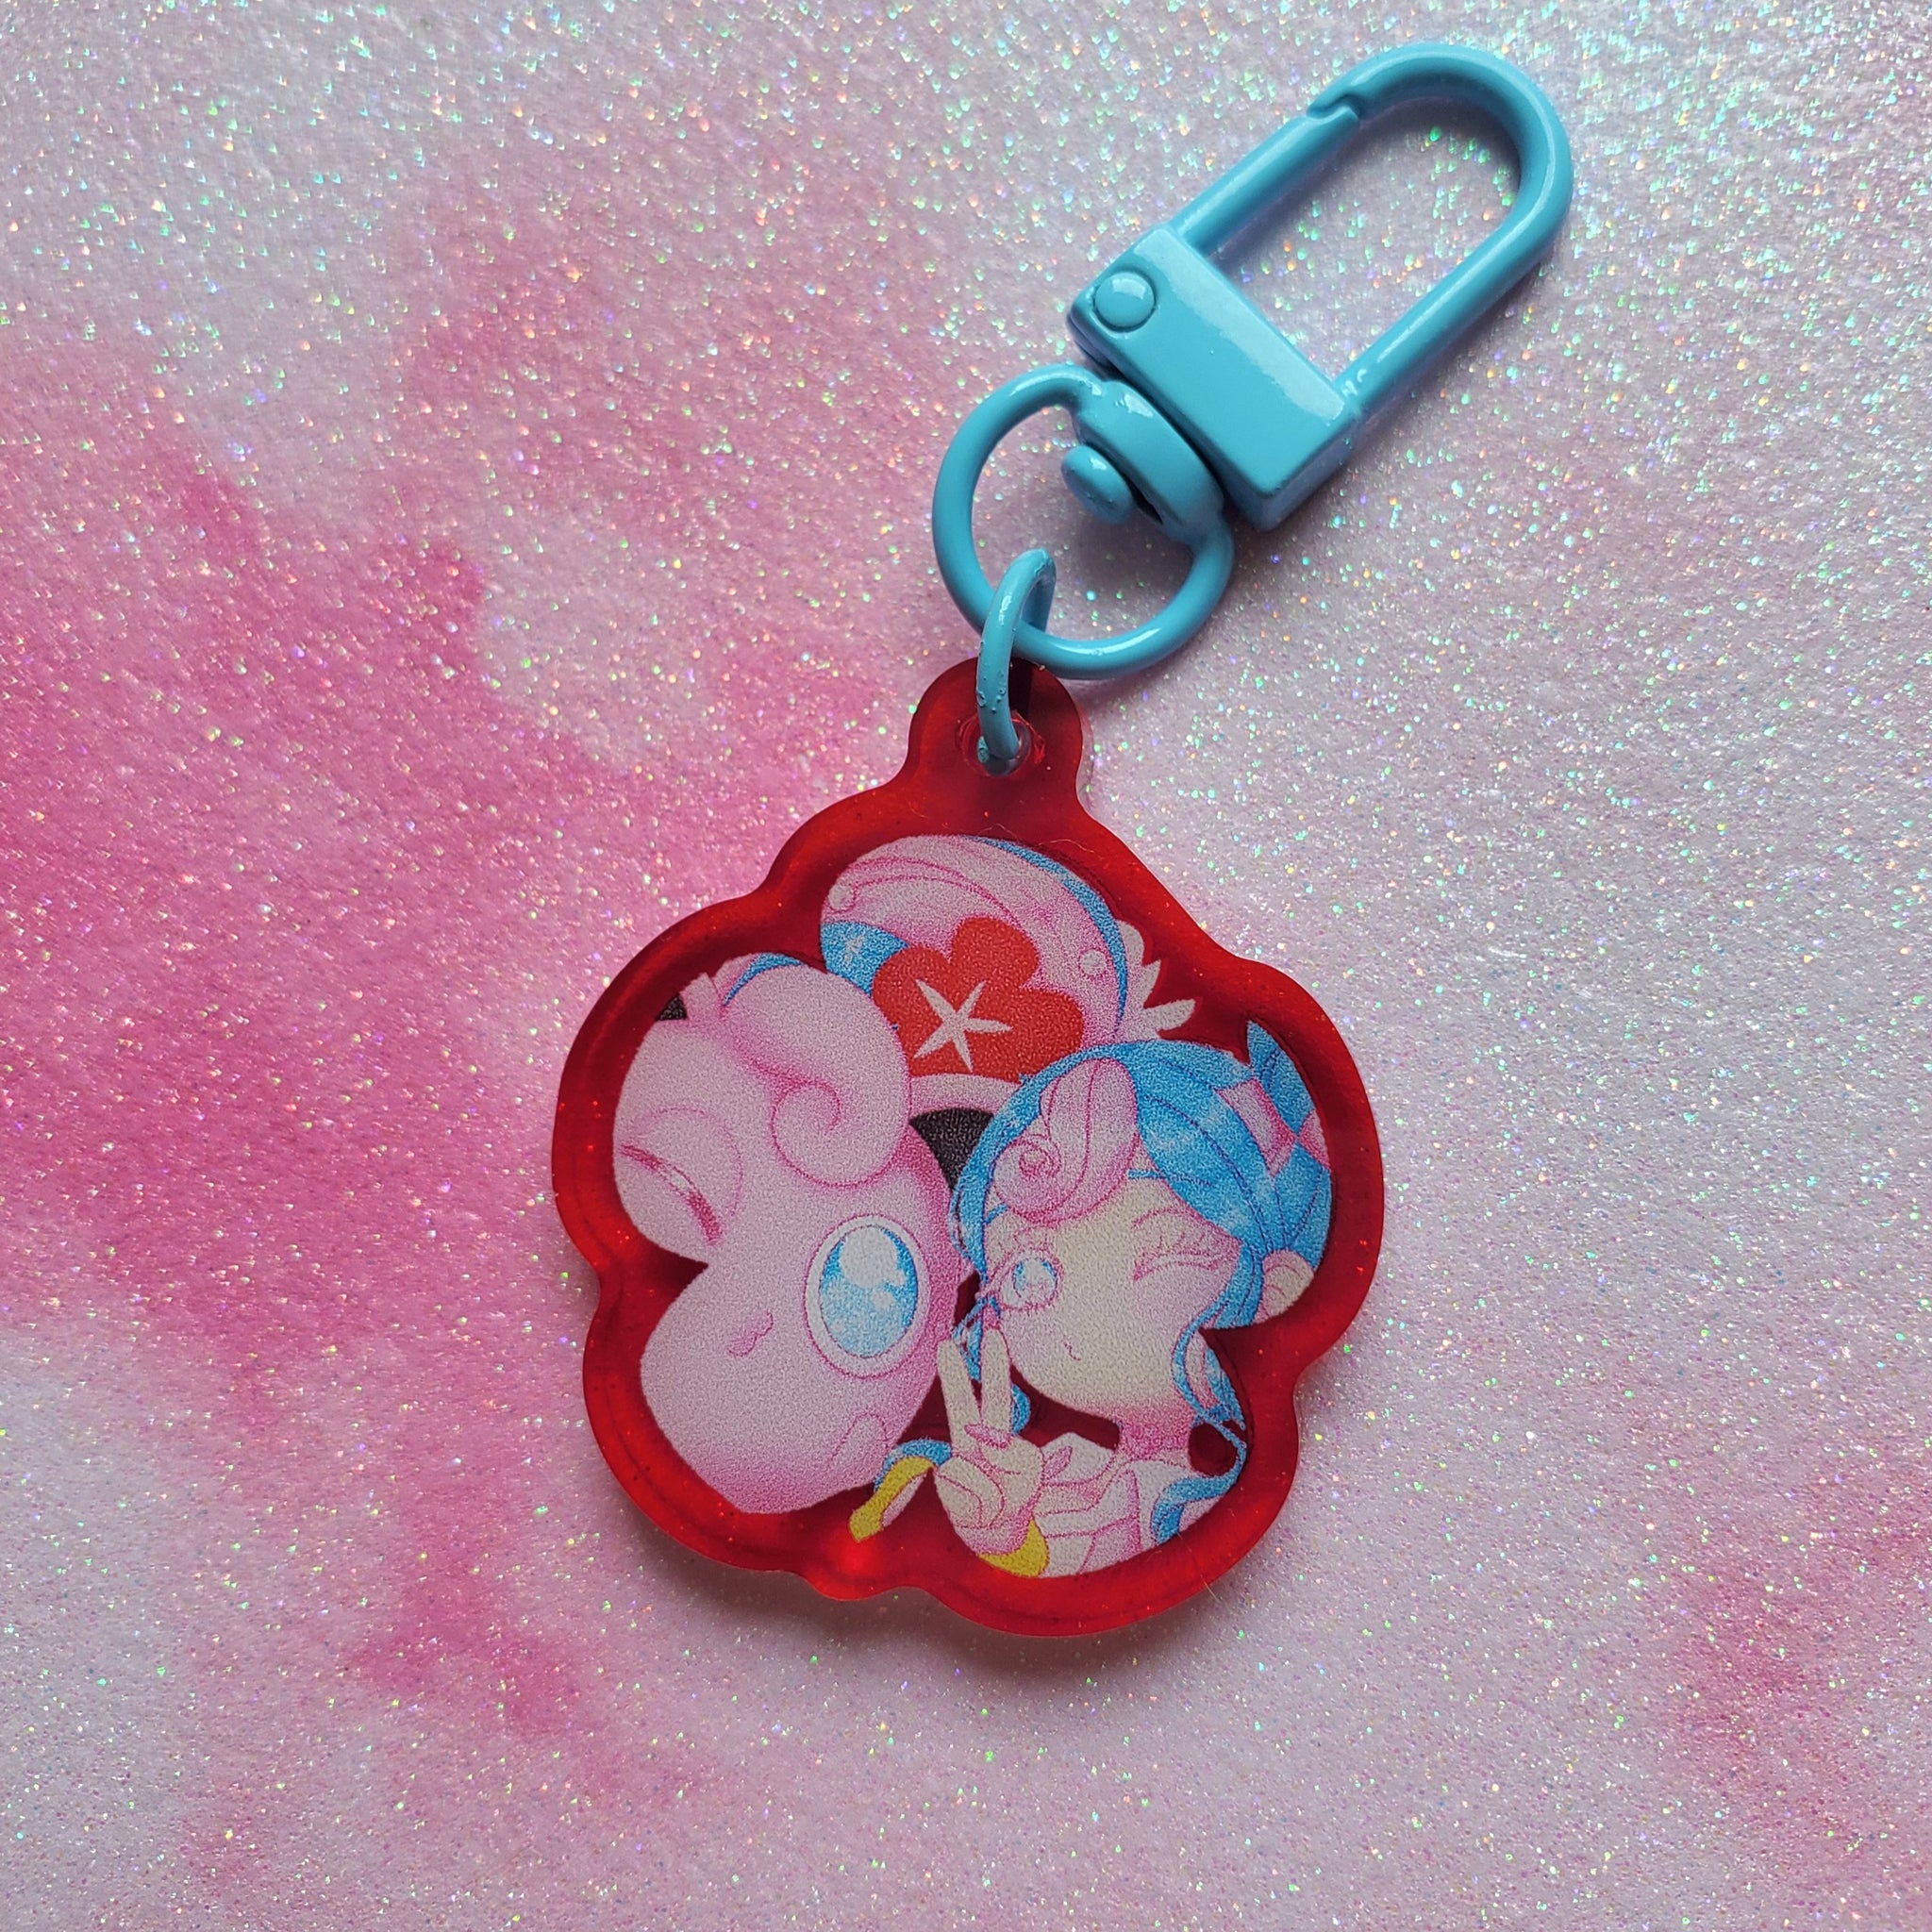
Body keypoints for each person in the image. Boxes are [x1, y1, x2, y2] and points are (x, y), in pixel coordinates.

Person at [849, 1027, 1331, 1575]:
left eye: (1168, 1245)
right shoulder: (1055, 1471)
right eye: (1023, 1273)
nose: (1077, 1306)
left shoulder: (1184, 1506)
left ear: (1275, 1285)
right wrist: (1003, 1532)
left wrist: (1010, 1540)